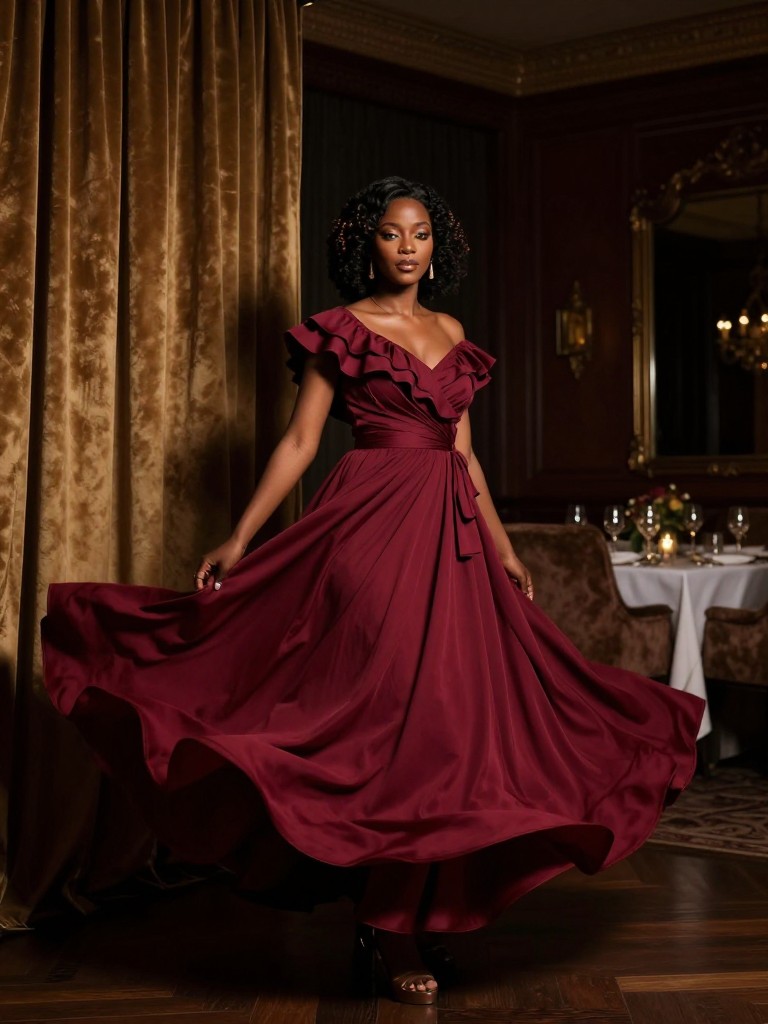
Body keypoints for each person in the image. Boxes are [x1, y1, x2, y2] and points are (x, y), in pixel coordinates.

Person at [42, 176, 704, 1007]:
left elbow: (464, 456)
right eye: (392, 234)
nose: (407, 247)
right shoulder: (341, 332)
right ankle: (392, 930)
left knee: (450, 729)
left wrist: (502, 548)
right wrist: (240, 536)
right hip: (366, 537)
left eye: (421, 234)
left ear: (437, 246)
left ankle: (403, 910)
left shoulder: (454, 333)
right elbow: (299, 443)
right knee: (388, 724)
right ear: (369, 243)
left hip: (454, 543)